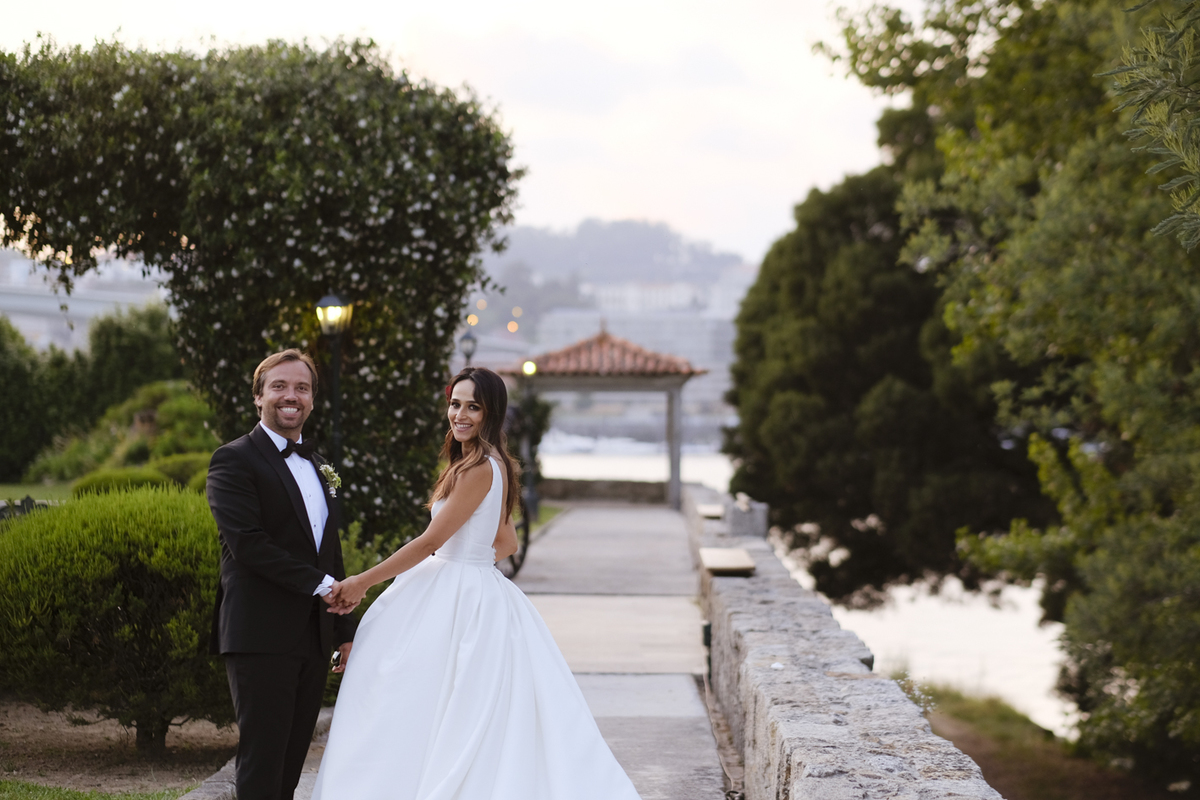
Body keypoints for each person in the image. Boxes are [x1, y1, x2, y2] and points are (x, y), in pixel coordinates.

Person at [311, 367, 642, 800]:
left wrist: (363, 582)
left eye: (473, 407)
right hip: (469, 584)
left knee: (426, 696)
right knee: (433, 696)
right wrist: (472, 560)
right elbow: (506, 541)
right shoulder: (487, 464)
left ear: (491, 413)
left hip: (461, 592)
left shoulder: (478, 468)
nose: (460, 415)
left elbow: (432, 540)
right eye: (455, 404)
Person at [205, 349, 358, 800]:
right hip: (260, 634)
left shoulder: (316, 464)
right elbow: (248, 544)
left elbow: (329, 551)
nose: (291, 396)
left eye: (302, 388)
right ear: (258, 397)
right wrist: (325, 586)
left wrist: (344, 628)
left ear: (311, 400)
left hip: (313, 636)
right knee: (262, 760)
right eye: (279, 387)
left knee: (291, 764)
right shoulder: (233, 460)